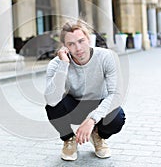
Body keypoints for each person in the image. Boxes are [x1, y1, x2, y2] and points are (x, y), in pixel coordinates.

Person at [44, 19, 126, 161]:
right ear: (65, 46)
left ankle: (98, 136)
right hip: (74, 105)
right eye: (71, 44)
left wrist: (92, 119)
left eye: (81, 41)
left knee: (117, 116)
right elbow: (51, 100)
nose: (78, 48)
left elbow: (116, 95)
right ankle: (69, 140)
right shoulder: (56, 63)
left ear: (88, 39)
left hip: (98, 105)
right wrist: (64, 64)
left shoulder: (107, 57)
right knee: (53, 107)